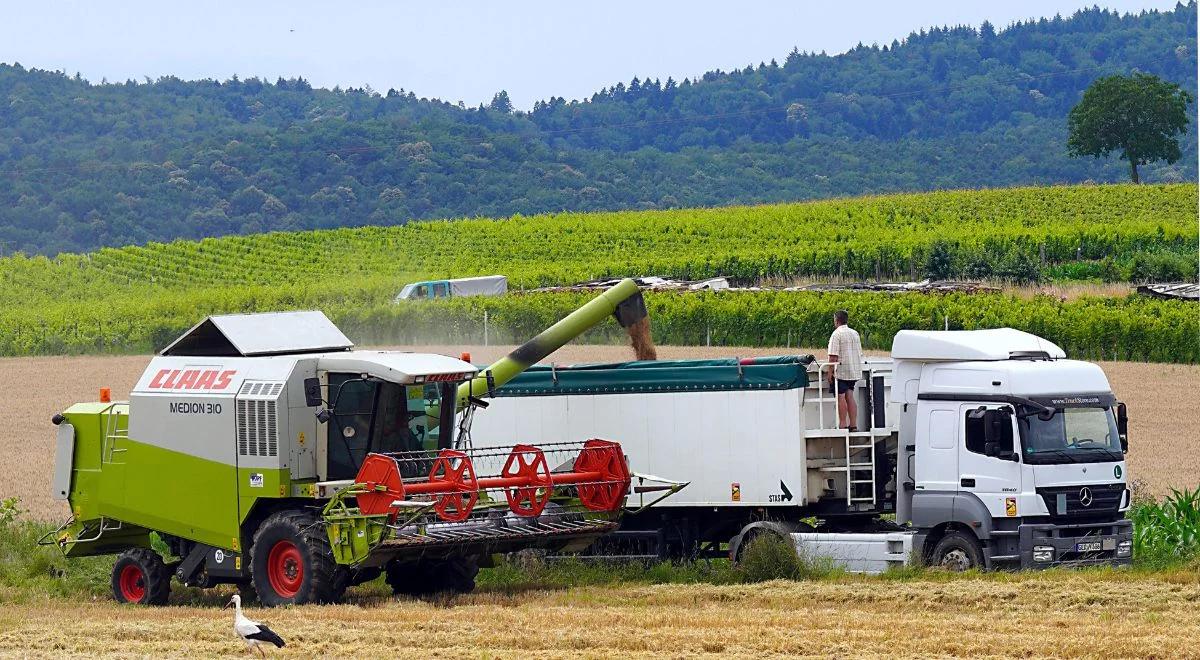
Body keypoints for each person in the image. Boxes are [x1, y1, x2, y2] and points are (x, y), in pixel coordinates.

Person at [825, 309, 863, 431]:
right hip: (854, 371)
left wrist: (830, 372)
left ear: (836, 320)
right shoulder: (855, 333)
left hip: (841, 370)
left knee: (841, 397)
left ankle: (842, 424)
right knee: (850, 396)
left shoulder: (836, 334)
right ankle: (853, 425)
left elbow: (833, 356)